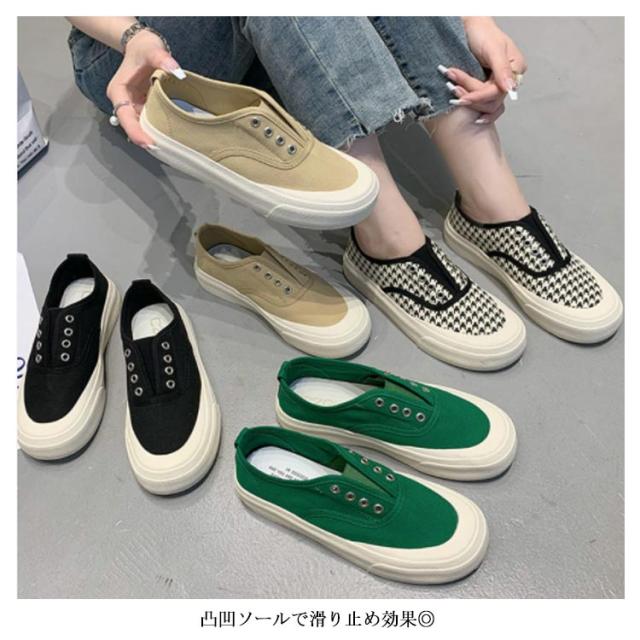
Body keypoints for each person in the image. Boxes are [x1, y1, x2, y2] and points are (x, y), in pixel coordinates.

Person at [66, 16, 623, 367]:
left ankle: (491, 202)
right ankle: (382, 233)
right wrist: (132, 36)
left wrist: (471, 18)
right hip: (133, 41)